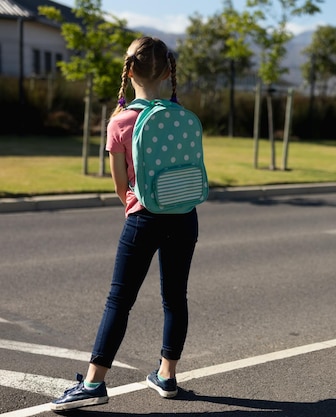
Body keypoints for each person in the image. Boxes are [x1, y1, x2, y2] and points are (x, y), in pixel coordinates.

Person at [51, 36, 199, 411]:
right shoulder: (180, 115)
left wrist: (136, 206)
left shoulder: (120, 121)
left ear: (128, 70)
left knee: (119, 300)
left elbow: (120, 185)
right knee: (174, 298)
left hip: (143, 216)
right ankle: (166, 375)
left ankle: (93, 383)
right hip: (185, 215)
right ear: (168, 72)